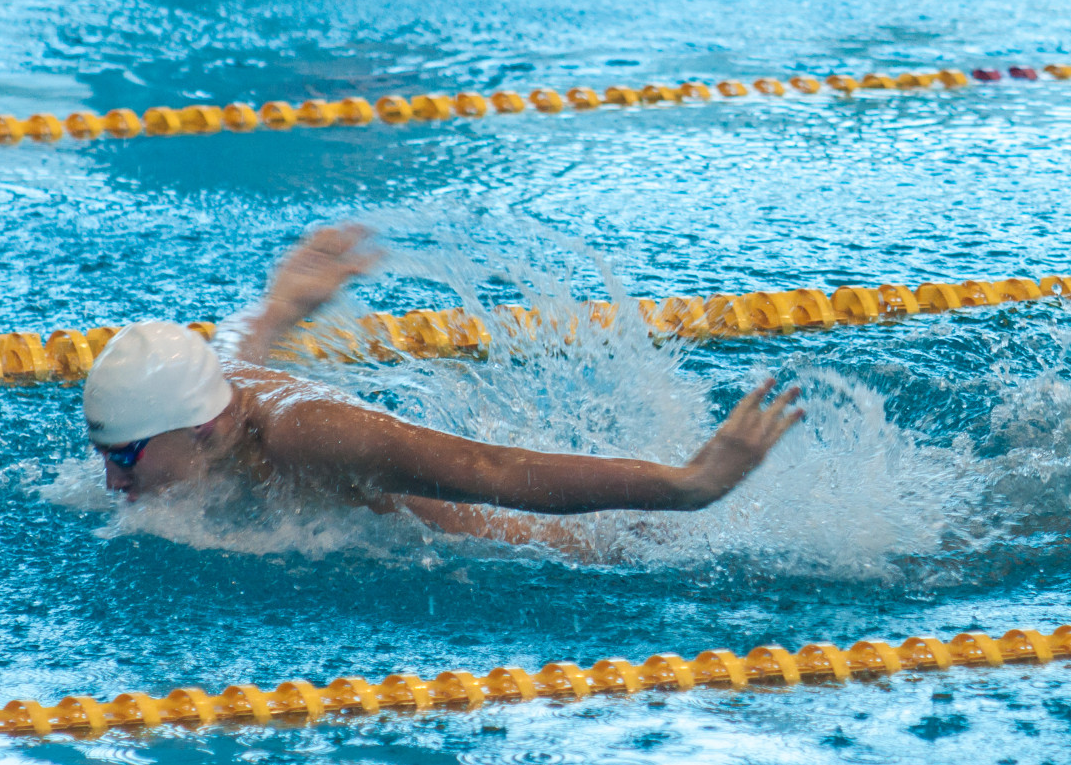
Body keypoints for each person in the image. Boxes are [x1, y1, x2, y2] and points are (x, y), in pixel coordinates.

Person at [82, 225, 805, 545]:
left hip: (548, 541)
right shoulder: (212, 389)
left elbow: (489, 469)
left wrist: (691, 484)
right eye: (108, 453)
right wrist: (284, 303)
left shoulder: (310, 432)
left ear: (203, 429)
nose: (112, 482)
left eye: (126, 457)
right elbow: (237, 344)